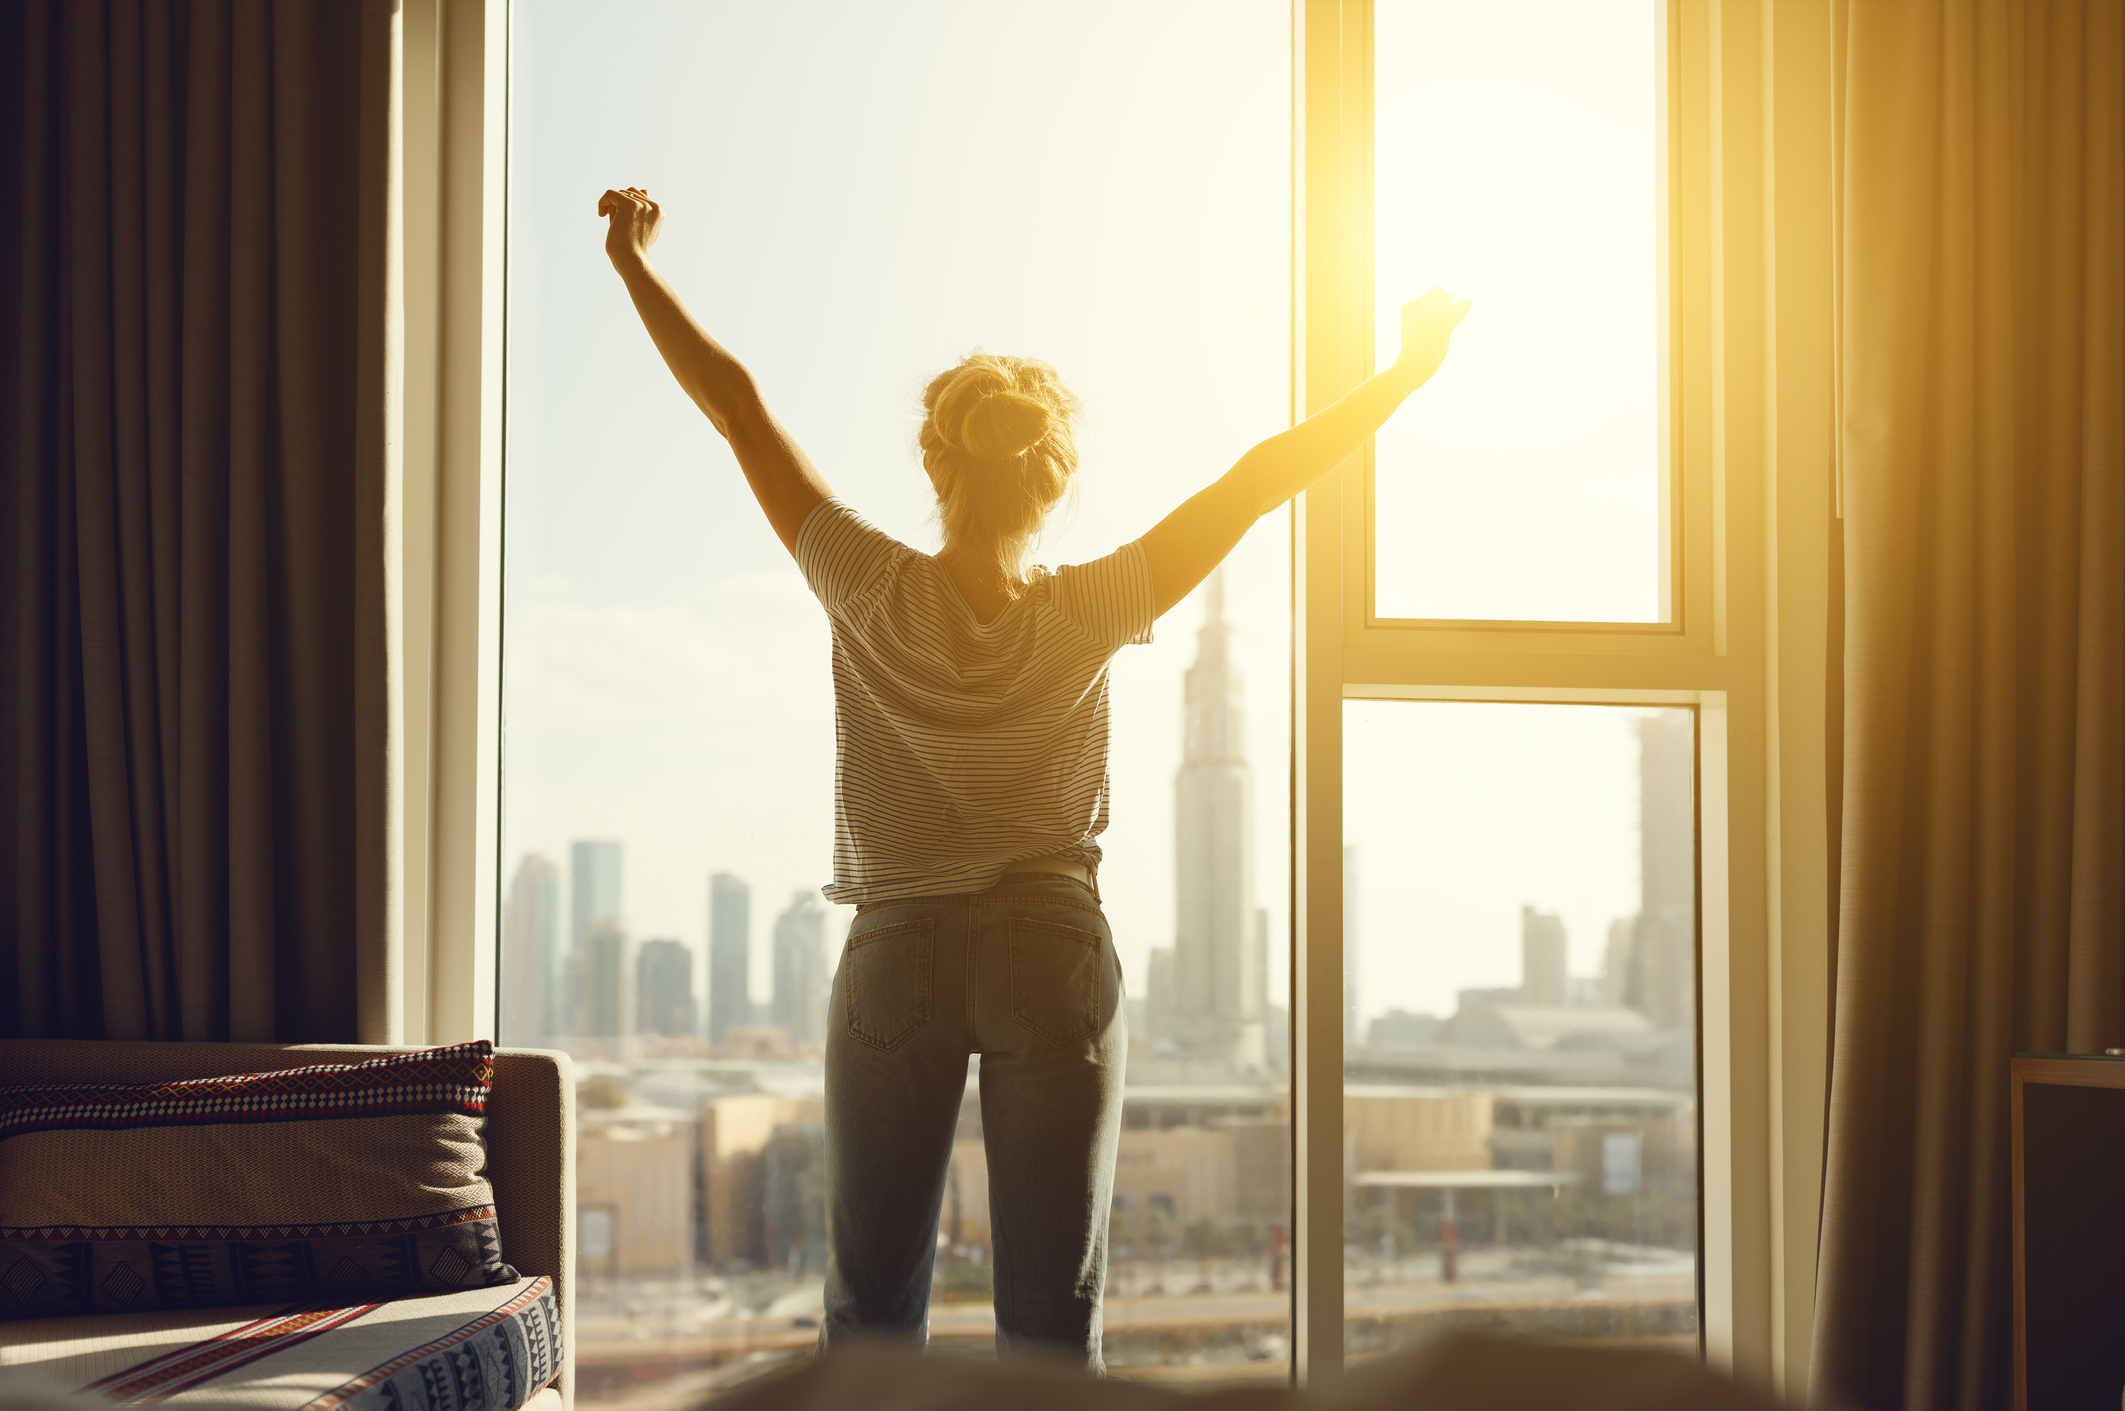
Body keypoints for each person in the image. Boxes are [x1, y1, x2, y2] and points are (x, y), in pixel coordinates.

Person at [598, 185, 1468, 1369]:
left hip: (896, 949)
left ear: (933, 461)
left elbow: (738, 406)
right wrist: (1402, 374)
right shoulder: (1092, 605)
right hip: (1049, 950)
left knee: (867, 1318)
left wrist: (634, 265)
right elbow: (1259, 480)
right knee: (1052, 1333)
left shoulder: (863, 579)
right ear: (1050, 480)